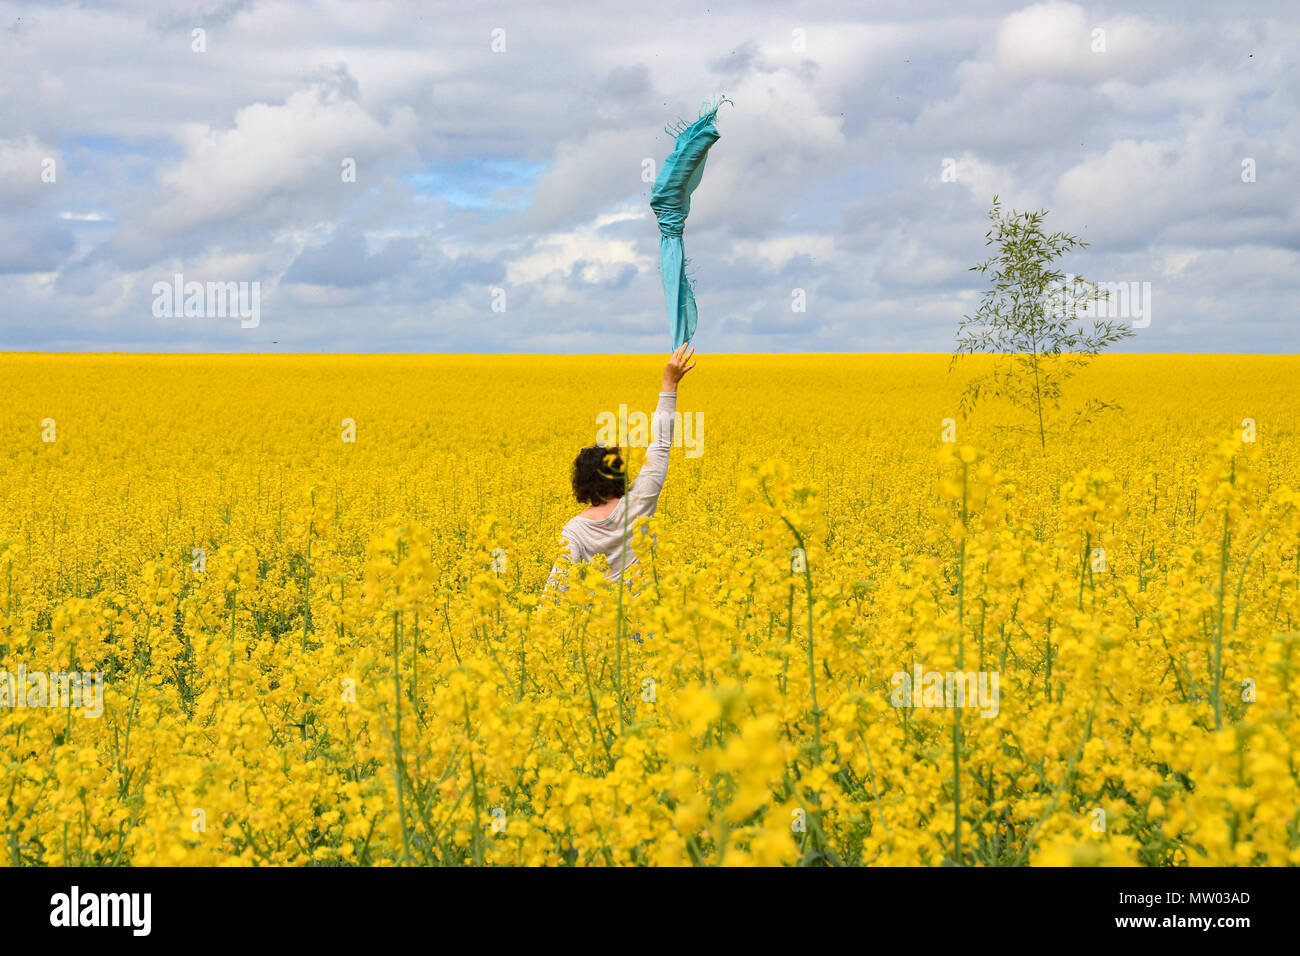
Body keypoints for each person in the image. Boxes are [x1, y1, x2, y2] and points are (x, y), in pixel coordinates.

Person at [547, 344, 697, 593]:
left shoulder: (574, 532)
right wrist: (669, 383)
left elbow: (556, 588)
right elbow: (660, 444)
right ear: (620, 471)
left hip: (600, 629)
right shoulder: (639, 504)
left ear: (582, 484)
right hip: (644, 622)